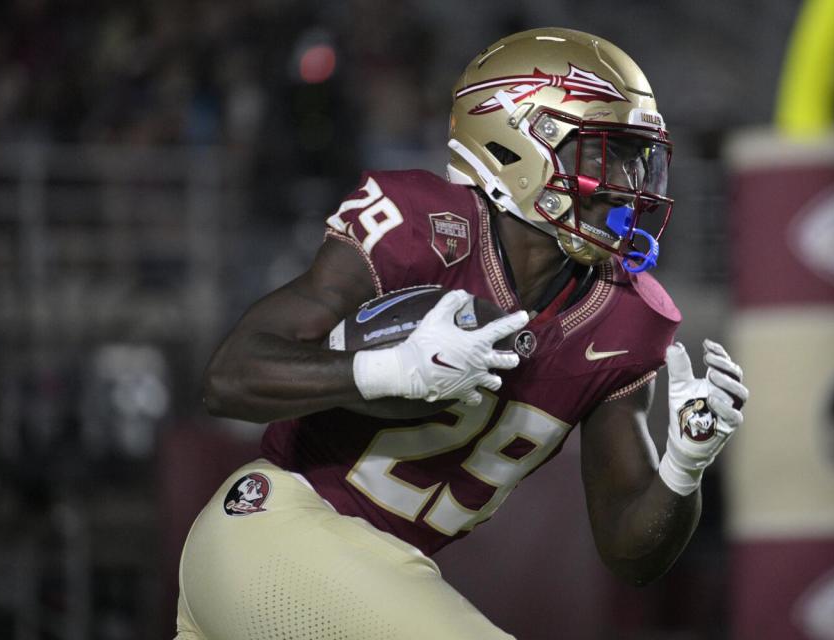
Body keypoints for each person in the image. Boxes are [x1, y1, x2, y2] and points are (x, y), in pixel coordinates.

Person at [175, 27, 749, 639]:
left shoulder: (627, 319)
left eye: (638, 156)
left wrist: (684, 468)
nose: (627, 179)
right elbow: (226, 379)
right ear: (516, 143)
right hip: (273, 529)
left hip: (378, 576)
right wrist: (389, 373)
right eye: (604, 151)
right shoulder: (421, 230)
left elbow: (630, 555)